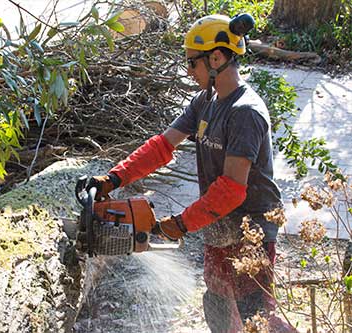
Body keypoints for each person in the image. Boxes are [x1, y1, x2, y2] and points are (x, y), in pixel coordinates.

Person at [87, 14, 298, 333]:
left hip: (250, 229)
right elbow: (162, 147)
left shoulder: (245, 114)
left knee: (257, 316)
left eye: (192, 63)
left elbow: (231, 189)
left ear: (217, 57)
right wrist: (114, 178)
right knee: (216, 305)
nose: (188, 71)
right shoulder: (205, 101)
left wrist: (182, 224)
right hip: (218, 224)